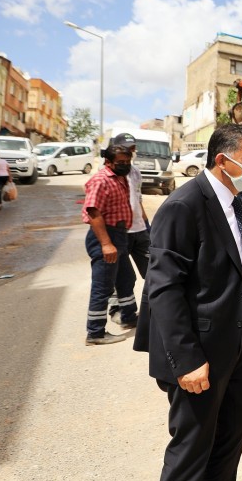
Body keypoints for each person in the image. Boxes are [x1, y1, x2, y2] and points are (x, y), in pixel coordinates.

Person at [134, 123, 242, 481]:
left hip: (229, 347)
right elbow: (163, 287)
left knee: (228, 440)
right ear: (223, 160)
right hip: (197, 355)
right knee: (190, 454)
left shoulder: (235, 200)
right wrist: (187, 359)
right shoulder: (184, 205)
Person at [82, 144, 138, 344]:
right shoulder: (101, 180)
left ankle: (128, 317)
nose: (125, 165)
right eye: (120, 162)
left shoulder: (120, 177)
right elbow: (93, 212)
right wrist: (106, 244)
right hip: (106, 236)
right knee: (103, 286)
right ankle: (95, 333)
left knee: (126, 279)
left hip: (120, 236)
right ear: (108, 161)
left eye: (128, 162)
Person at [106, 132, 150, 328]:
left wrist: (146, 224)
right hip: (119, 232)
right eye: (126, 148)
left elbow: (138, 199)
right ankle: (121, 312)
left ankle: (155, 310)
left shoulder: (135, 172)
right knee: (123, 276)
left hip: (139, 230)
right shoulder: (107, 173)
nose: (130, 152)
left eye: (132, 148)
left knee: (153, 269)